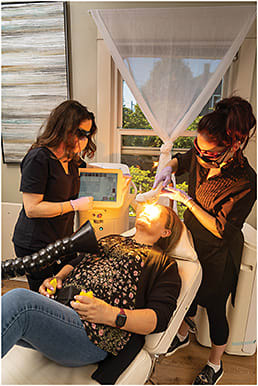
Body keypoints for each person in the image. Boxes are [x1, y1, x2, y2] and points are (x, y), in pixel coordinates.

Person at [2, 204, 182, 384]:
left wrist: (110, 314)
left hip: (93, 333)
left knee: (20, 302)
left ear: (166, 232)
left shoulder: (164, 264)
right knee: (13, 306)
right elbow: (77, 261)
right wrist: (57, 278)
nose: (146, 210)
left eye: (155, 212)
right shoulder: (112, 239)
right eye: (146, 208)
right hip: (62, 310)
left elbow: (158, 318)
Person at [153, 96, 257, 385]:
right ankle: (184, 335)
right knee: (187, 294)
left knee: (213, 307)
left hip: (218, 253)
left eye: (208, 152)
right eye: (198, 146)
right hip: (190, 241)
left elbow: (221, 230)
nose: (200, 155)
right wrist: (169, 167)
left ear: (234, 145)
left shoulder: (246, 182)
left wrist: (188, 202)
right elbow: (186, 158)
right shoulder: (201, 152)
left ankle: (215, 364)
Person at [12, 100, 97, 292]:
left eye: (88, 134)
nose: (84, 140)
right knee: (44, 295)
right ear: (63, 128)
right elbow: (32, 209)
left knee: (64, 287)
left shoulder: (71, 158)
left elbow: (92, 171)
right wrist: (74, 205)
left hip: (61, 241)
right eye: (81, 134)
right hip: (35, 243)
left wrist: (119, 177)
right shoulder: (39, 159)